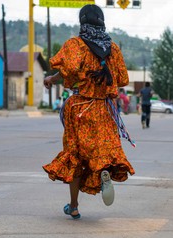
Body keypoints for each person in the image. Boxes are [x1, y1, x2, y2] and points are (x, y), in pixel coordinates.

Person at [42, 4, 135, 219]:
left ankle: (73, 206)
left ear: (82, 22)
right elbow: (122, 79)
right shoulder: (113, 48)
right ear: (102, 22)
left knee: (75, 153)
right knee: (103, 148)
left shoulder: (75, 45)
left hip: (79, 108)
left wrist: (51, 79)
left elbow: (68, 70)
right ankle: (103, 171)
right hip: (104, 108)